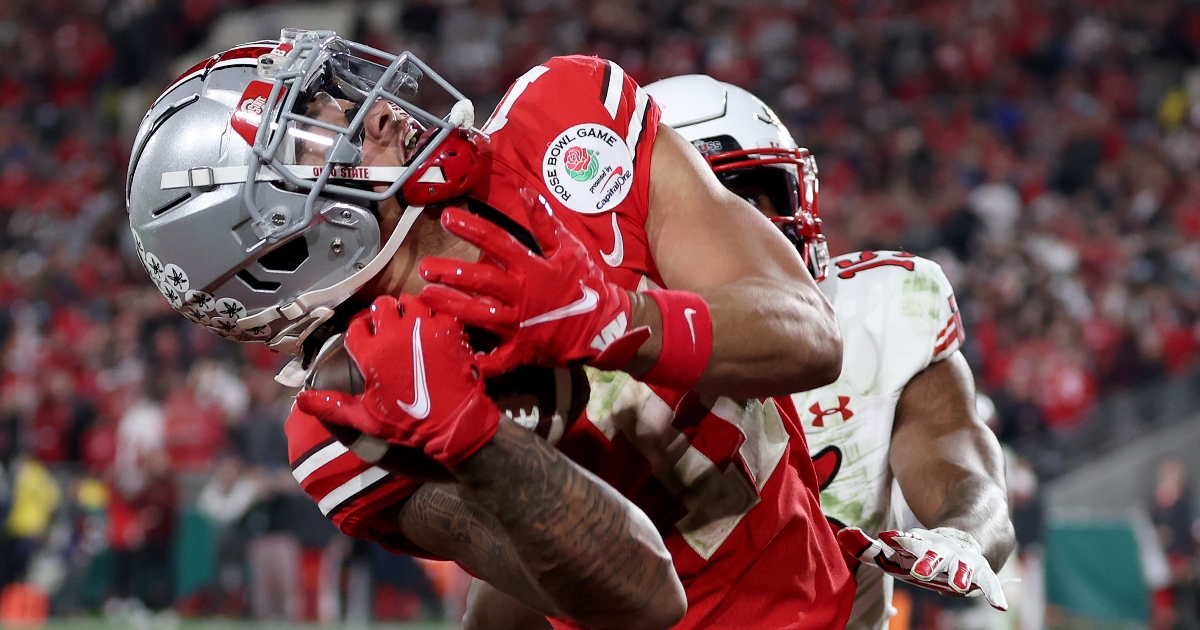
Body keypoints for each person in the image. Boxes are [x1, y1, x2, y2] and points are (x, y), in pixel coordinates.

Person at [125, 30, 852, 630]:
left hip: (827, 596)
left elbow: (812, 339)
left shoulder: (564, 121)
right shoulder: (341, 424)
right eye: (321, 125)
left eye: (341, 95)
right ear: (275, 241)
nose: (375, 112)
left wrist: (617, 319)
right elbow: (640, 600)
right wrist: (478, 446)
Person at [645, 74, 1015, 629]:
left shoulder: (881, 310)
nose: (742, 228)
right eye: (713, 208)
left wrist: (960, 535)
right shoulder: (595, 373)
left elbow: (963, 474)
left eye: (747, 199)